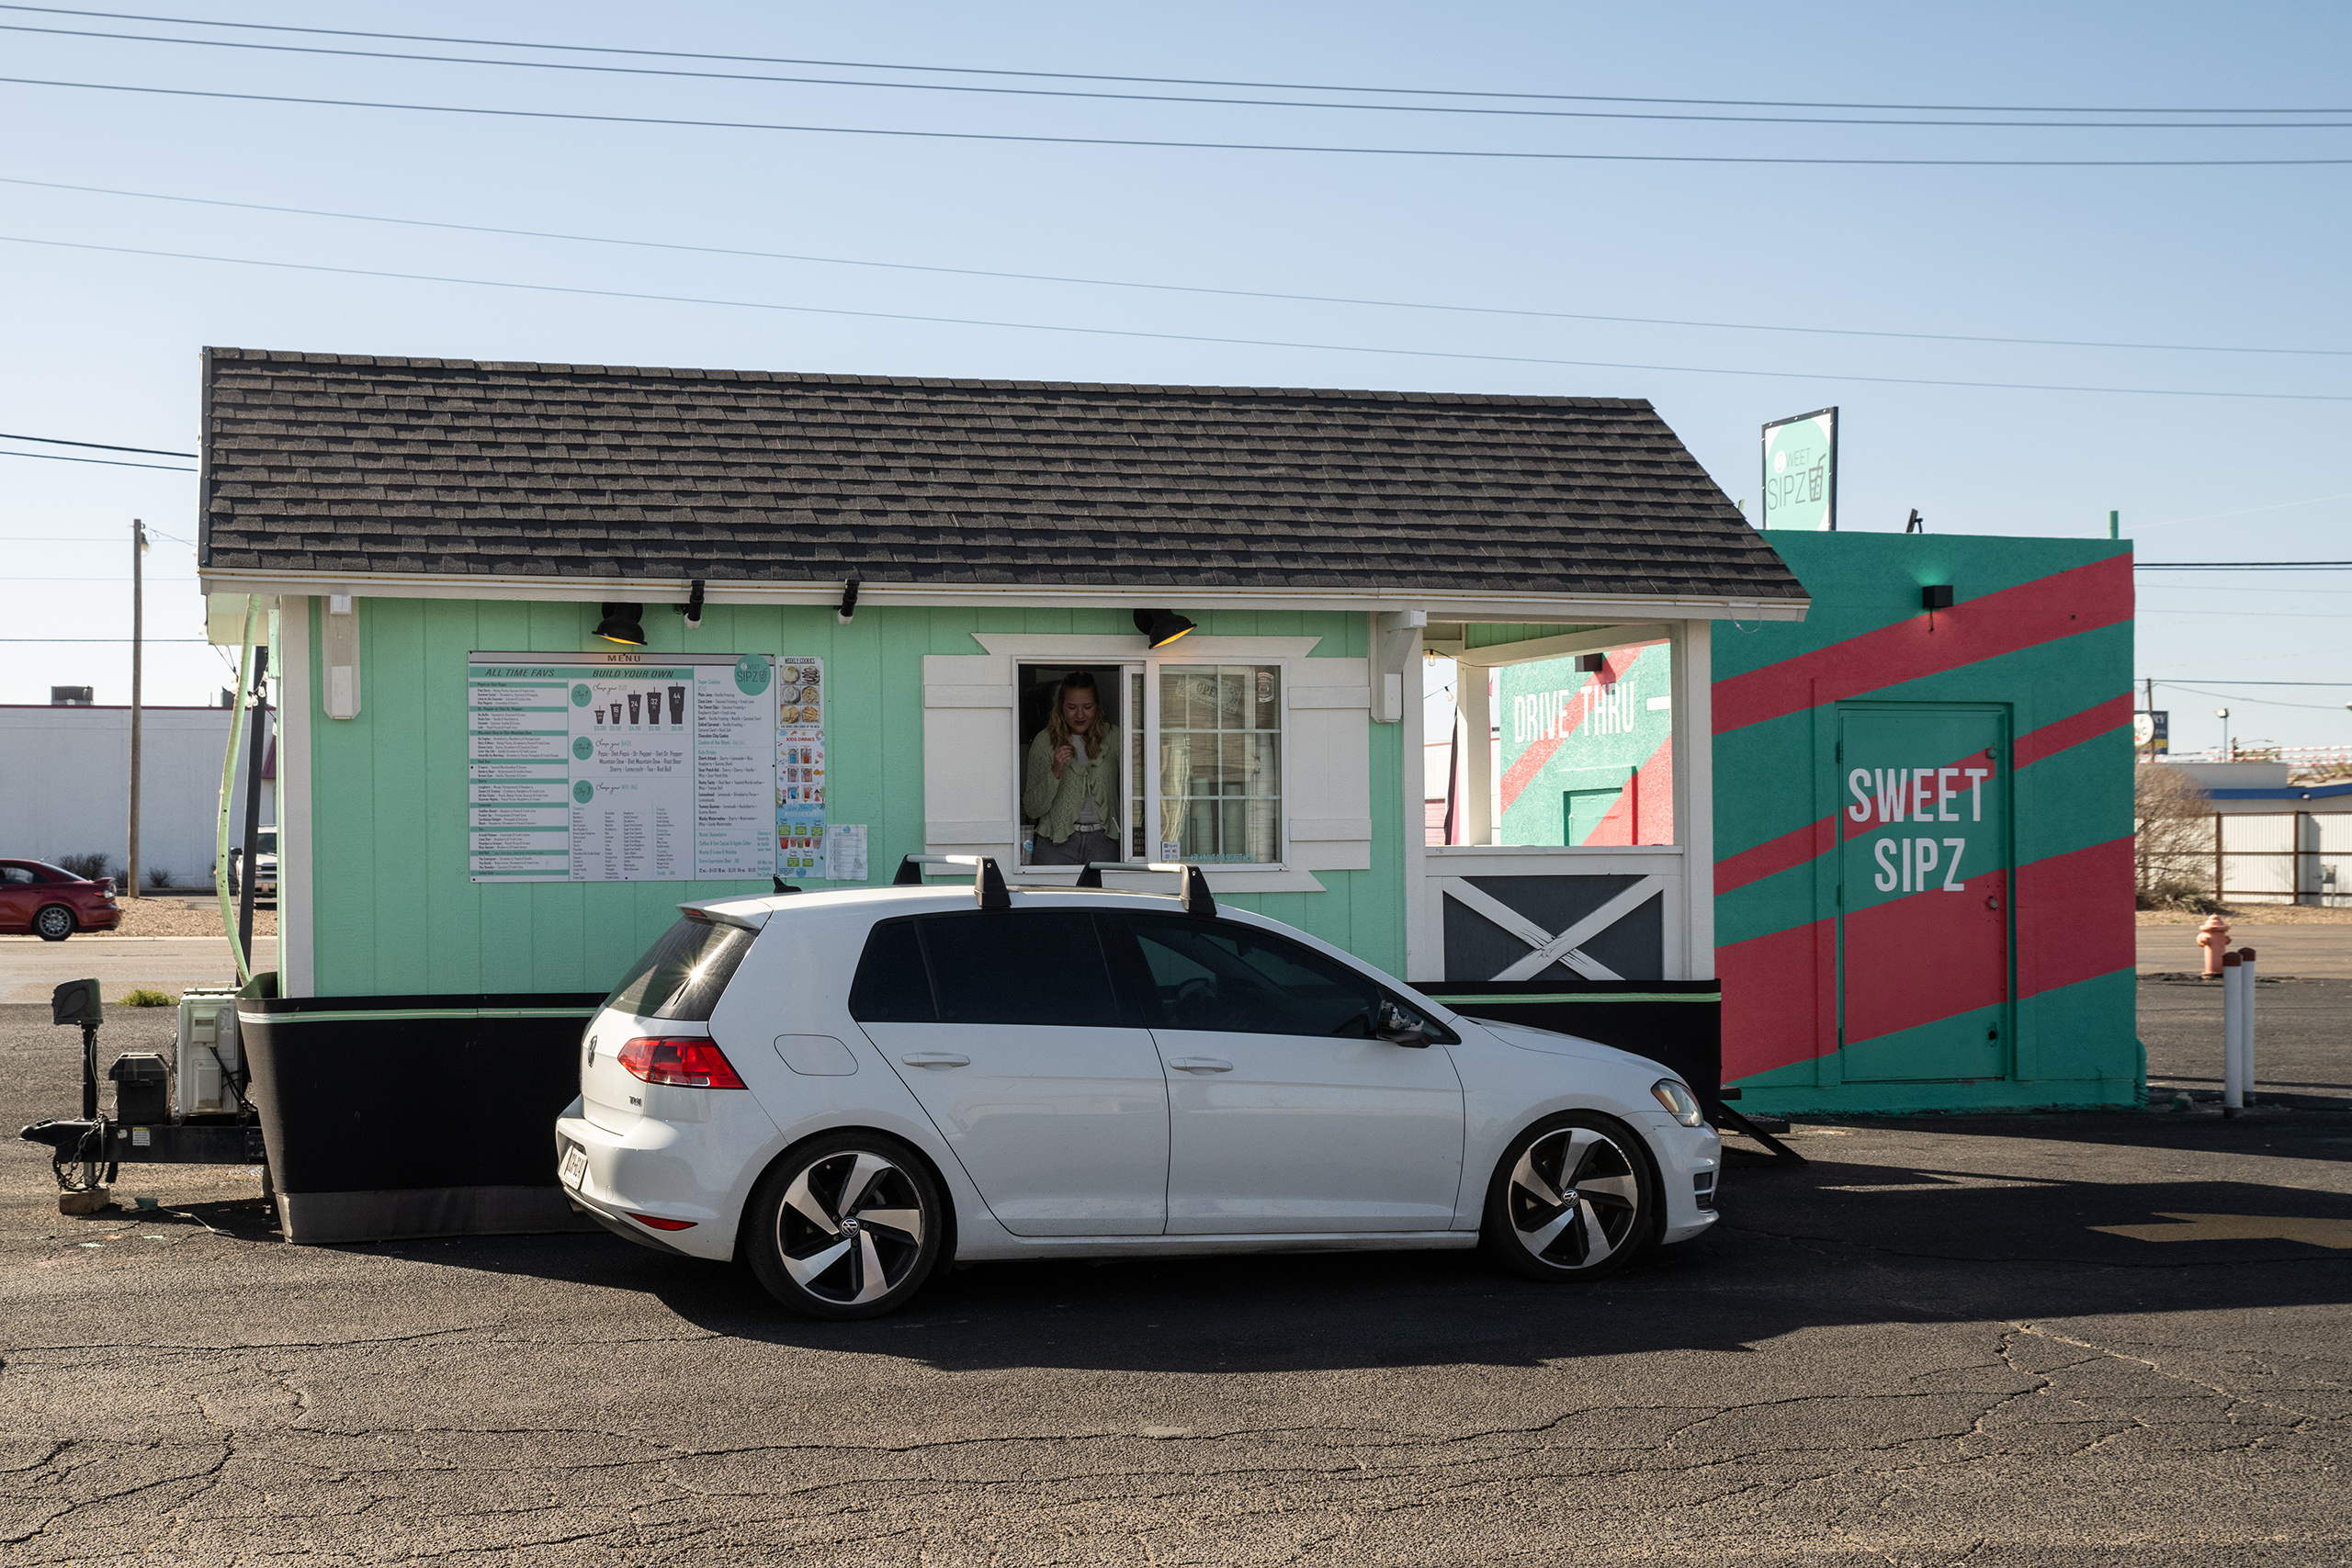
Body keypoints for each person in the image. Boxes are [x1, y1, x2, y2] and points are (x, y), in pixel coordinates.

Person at [1023, 671, 1122, 866]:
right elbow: (1032, 809)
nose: (1080, 715)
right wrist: (1055, 771)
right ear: (1060, 708)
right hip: (1056, 845)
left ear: (1097, 707)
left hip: (1104, 841)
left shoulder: (1114, 737)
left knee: (1106, 897)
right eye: (1071, 707)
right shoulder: (1045, 742)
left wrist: (1140, 758)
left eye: (1087, 707)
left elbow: (1139, 787)